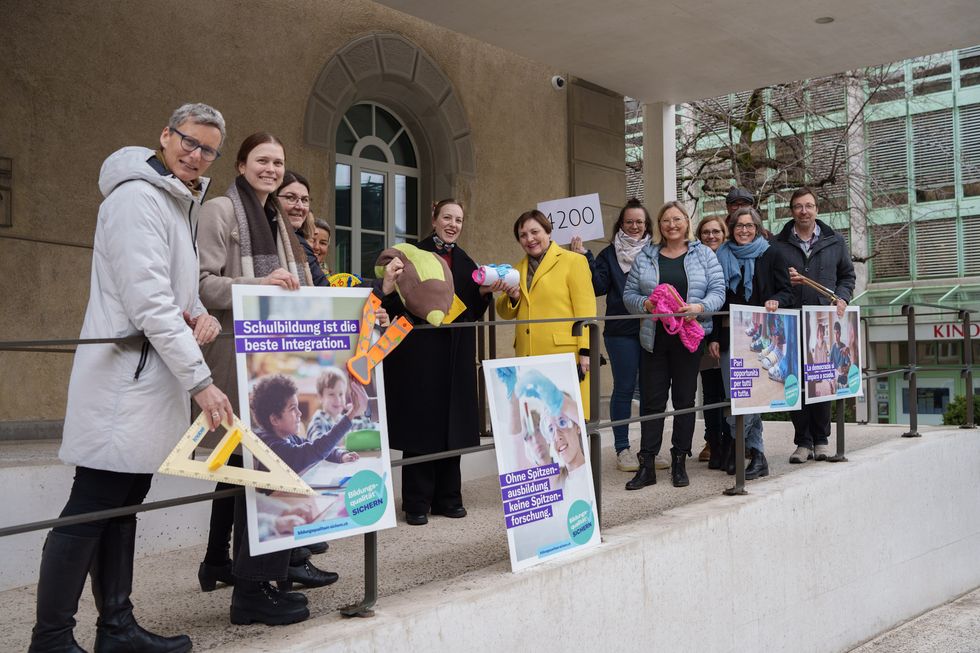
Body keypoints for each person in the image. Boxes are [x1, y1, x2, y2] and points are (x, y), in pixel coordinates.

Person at [29, 103, 234, 653]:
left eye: (208, 149)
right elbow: (146, 302)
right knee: (91, 507)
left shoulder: (177, 202)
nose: (196, 155)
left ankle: (115, 628)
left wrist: (201, 314)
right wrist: (200, 380)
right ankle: (50, 639)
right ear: (165, 136)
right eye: (188, 142)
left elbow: (175, 295)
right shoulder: (137, 197)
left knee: (123, 505)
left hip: (149, 376)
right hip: (125, 378)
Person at [196, 132, 322, 626]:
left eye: (279, 162)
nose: (271, 168)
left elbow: (302, 287)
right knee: (256, 471)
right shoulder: (221, 213)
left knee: (264, 471)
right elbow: (200, 284)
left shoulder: (277, 221)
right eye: (262, 161)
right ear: (243, 164)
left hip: (276, 363)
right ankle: (252, 590)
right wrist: (258, 284)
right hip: (234, 360)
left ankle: (261, 580)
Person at [381, 199, 492, 526]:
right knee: (421, 424)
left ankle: (448, 497)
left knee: (452, 424)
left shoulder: (467, 261)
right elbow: (392, 299)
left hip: (455, 355)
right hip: (419, 352)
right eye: (447, 217)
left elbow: (471, 312)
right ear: (434, 219)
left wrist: (484, 295)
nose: (453, 224)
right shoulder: (412, 254)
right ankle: (416, 501)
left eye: (458, 219)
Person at [622, 201, 725, 489]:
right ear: (660, 225)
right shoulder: (647, 255)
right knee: (652, 402)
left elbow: (719, 291)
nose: (672, 225)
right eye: (666, 220)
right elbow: (629, 294)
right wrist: (646, 303)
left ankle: (679, 460)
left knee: (684, 401)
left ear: (686, 223)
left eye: (677, 219)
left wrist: (698, 306)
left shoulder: (702, 254)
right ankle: (648, 464)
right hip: (654, 338)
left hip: (688, 338)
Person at [773, 187, 856, 464]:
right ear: (792, 210)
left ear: (817, 209)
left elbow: (847, 276)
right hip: (792, 320)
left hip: (821, 321)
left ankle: (821, 440)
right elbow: (773, 283)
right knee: (795, 381)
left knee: (821, 381)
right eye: (798, 206)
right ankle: (802, 443)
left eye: (809, 206)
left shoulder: (835, 241)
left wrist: (842, 298)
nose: (804, 211)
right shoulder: (778, 244)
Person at [570, 198, 652, 473]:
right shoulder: (608, 254)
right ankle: (622, 448)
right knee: (625, 388)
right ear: (621, 224)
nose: (634, 226)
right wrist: (584, 257)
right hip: (620, 332)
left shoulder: (656, 252)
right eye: (629, 221)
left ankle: (649, 449)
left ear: (646, 224)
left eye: (639, 222)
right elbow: (598, 286)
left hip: (654, 328)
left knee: (653, 390)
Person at [714, 207, 794, 480]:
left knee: (753, 397)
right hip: (729, 336)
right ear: (732, 228)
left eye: (749, 226)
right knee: (734, 397)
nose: (744, 230)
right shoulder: (721, 255)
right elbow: (716, 298)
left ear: (757, 229)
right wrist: (713, 338)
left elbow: (787, 290)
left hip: (762, 336)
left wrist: (777, 301)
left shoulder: (772, 253)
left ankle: (743, 450)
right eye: (739, 226)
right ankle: (753, 454)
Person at [495, 210, 597, 418]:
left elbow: (586, 310)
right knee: (540, 423)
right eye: (523, 235)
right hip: (527, 355)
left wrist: (585, 352)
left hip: (564, 356)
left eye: (535, 231)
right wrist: (513, 297)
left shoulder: (574, 261)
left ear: (548, 232)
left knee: (568, 421)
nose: (530, 239)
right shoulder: (516, 269)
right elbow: (504, 312)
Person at [250, 374, 364, 475]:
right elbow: (316, 449)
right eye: (293, 409)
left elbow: (314, 446)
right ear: (274, 419)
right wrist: (352, 414)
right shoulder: (275, 449)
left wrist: (340, 455)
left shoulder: (287, 437)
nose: (299, 413)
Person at [695, 215, 732, 470]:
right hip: (703, 333)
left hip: (728, 333)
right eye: (706, 232)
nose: (711, 236)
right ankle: (713, 444)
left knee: (730, 392)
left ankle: (732, 444)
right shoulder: (695, 260)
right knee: (710, 393)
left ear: (724, 234)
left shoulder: (732, 258)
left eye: (716, 231)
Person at [277, 171, 329, 286]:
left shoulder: (299, 242)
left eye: (305, 200)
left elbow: (322, 287)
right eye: (291, 198)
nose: (300, 206)